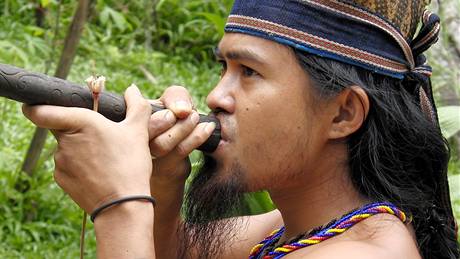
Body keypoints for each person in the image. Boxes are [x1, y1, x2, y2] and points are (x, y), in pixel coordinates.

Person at [22, 0, 459, 258]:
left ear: (343, 113)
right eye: (224, 68)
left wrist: (120, 206)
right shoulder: (292, 228)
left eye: (248, 71)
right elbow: (173, 252)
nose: (215, 97)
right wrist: (161, 180)